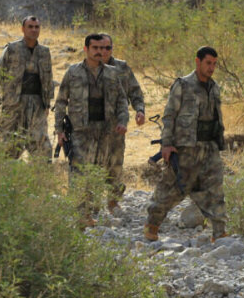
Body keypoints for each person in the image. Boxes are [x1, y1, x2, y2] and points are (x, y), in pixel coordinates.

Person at [144, 46, 227, 242]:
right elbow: (169, 115)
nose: (212, 68)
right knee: (173, 188)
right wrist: (166, 144)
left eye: (214, 64)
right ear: (198, 62)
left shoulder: (214, 87)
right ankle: (152, 224)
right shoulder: (183, 85)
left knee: (215, 188)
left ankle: (219, 232)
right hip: (186, 148)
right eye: (208, 63)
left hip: (209, 147)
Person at [54, 33, 128, 211]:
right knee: (79, 170)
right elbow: (61, 101)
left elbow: (122, 101)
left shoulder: (112, 73)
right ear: (86, 49)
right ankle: (80, 212)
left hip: (105, 132)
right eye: (95, 48)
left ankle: (92, 209)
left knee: (99, 169)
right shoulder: (73, 72)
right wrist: (59, 130)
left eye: (103, 48)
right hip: (80, 131)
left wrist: (123, 121)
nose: (99, 52)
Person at [0, 16, 54, 161]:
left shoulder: (44, 52)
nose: (34, 30)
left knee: (42, 147)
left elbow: (48, 78)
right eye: (30, 26)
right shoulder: (12, 49)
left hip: (37, 104)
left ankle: (41, 180)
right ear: (23, 29)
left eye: (37, 27)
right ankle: (5, 179)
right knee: (9, 146)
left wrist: (47, 104)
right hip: (13, 104)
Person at [101, 33, 146, 211]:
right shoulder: (85, 68)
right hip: (90, 126)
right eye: (100, 47)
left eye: (108, 48)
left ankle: (113, 201)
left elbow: (135, 91)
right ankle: (88, 204)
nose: (103, 51)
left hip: (116, 125)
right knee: (90, 163)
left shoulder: (121, 68)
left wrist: (139, 110)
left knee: (115, 163)